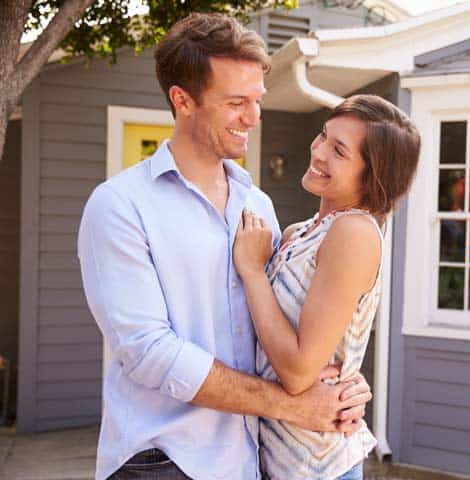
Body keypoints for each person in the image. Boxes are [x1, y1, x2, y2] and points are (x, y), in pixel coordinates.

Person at [78, 13, 371, 480]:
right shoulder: (120, 206)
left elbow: (284, 322)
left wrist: (340, 379)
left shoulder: (256, 203)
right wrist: (294, 407)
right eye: (236, 102)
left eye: (256, 100)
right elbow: (150, 352)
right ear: (182, 100)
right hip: (163, 462)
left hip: (252, 459)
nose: (253, 117)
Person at [232, 95, 421, 480]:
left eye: (339, 150)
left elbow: (299, 373)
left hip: (314, 466)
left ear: (372, 176)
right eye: (322, 136)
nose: (318, 152)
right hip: (268, 457)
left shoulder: (354, 232)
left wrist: (253, 272)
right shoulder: (297, 233)